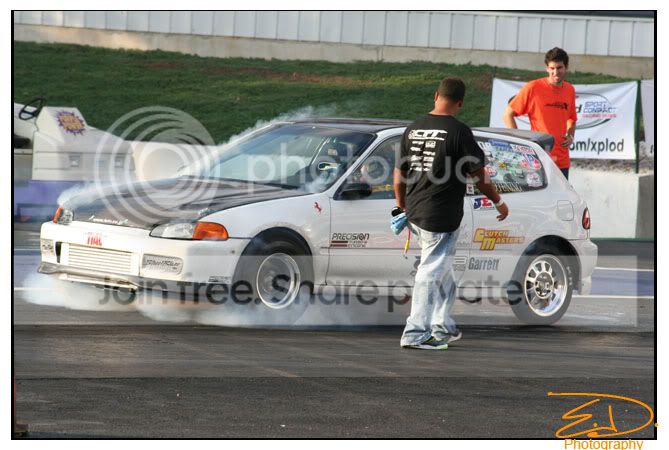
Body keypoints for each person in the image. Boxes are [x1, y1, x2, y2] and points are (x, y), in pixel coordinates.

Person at [394, 78, 508, 350]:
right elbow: (480, 176)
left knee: (443, 271)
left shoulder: (413, 128)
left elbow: (399, 175)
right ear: (460, 103)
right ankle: (415, 333)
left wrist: (401, 206)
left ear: (436, 96)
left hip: (416, 212)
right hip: (441, 216)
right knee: (431, 271)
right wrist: (498, 201)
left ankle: (442, 325)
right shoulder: (459, 132)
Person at [502, 47, 577, 179]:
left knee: (561, 193)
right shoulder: (533, 87)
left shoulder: (570, 90)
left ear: (566, 67)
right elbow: (508, 114)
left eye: (559, 68)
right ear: (547, 68)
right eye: (552, 68)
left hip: (562, 160)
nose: (555, 72)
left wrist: (570, 135)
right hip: (538, 158)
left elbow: (572, 119)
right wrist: (518, 142)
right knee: (540, 193)